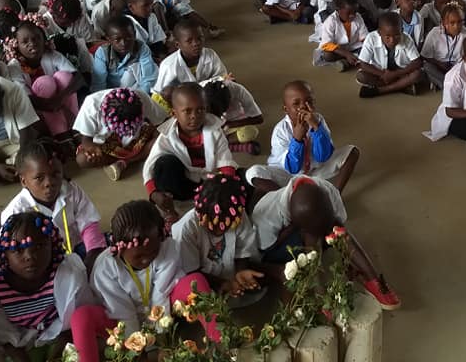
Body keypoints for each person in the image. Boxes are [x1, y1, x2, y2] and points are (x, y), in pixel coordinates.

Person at [77, 200, 218, 360]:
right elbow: (123, 313)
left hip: (163, 309)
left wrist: (163, 342)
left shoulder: (167, 248)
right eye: (139, 256)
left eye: (153, 252)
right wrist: (136, 351)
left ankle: (222, 342)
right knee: (81, 317)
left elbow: (161, 296)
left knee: (196, 281)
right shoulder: (105, 269)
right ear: (120, 249)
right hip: (119, 320)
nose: (146, 260)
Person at [251, 174, 400, 309]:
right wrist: (295, 228)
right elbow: (265, 250)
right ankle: (320, 294)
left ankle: (373, 279)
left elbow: (339, 226)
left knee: (335, 228)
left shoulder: (328, 191)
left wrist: (346, 258)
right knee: (311, 237)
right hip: (276, 246)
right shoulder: (266, 215)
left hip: (306, 225)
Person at [0, 211, 96, 357]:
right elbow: (1, 337)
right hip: (19, 348)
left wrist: (61, 347)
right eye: (18, 250)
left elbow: (80, 318)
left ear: (52, 246)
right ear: (5, 255)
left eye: (39, 246)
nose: (29, 256)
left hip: (61, 338)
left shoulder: (69, 275)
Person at [1, 139, 106, 264]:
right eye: (39, 178)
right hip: (43, 260)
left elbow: (88, 224)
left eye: (55, 174)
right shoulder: (16, 212)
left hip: (77, 246)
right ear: (24, 181)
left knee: (108, 250)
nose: (49, 183)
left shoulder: (71, 190)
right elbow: (16, 254)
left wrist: (93, 257)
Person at [142, 83, 236, 222]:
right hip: (182, 183)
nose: (194, 116)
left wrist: (225, 186)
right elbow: (149, 166)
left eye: (200, 110)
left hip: (209, 182)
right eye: (187, 111)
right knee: (163, 164)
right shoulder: (167, 136)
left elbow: (225, 160)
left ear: (206, 109)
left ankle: (208, 200)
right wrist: (153, 193)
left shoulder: (215, 131)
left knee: (240, 180)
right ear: (174, 114)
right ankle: (172, 209)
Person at [247, 80, 359, 191]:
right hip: (287, 175)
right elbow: (292, 168)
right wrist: (297, 139)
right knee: (254, 172)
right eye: (296, 103)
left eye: (309, 101)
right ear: (286, 109)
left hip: (314, 170)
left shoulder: (318, 120)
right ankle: (284, 197)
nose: (303, 107)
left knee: (352, 151)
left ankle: (336, 193)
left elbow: (323, 156)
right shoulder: (281, 130)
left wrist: (317, 128)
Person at [171, 174, 264, 303]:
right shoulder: (186, 230)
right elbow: (192, 273)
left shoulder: (237, 215)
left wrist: (241, 271)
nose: (219, 231)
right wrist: (221, 283)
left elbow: (243, 249)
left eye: (227, 226)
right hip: (204, 281)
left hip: (229, 276)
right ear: (200, 214)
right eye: (214, 226)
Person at [75, 87, 167, 180]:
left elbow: (160, 122)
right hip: (107, 146)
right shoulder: (91, 104)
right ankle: (120, 161)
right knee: (82, 160)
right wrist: (91, 147)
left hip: (139, 142)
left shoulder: (141, 98)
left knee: (163, 138)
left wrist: (158, 140)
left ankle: (126, 162)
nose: (126, 134)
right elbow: (86, 138)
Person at [356, 11, 423, 98]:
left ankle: (381, 90)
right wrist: (383, 74)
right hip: (380, 73)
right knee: (361, 76)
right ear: (379, 33)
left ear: (402, 31)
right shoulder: (371, 38)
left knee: (417, 74)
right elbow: (363, 63)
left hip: (400, 73)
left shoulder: (407, 39)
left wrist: (395, 74)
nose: (392, 40)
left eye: (397, 36)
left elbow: (417, 62)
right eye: (387, 37)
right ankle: (401, 86)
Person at [90, 15, 158, 94]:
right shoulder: (102, 53)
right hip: (110, 92)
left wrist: (139, 97)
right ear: (108, 39)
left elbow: (148, 79)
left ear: (134, 34)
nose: (123, 43)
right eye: (117, 40)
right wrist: (107, 98)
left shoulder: (141, 48)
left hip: (135, 90)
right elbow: (99, 84)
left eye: (128, 38)